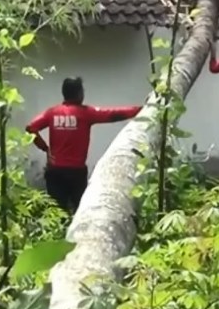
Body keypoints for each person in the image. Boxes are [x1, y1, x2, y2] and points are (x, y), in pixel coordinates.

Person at [25, 77, 141, 213]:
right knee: (79, 211)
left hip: (55, 171)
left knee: (56, 212)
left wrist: (45, 148)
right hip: (76, 173)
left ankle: (57, 234)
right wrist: (138, 110)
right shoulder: (86, 113)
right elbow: (113, 114)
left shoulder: (52, 113)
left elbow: (30, 128)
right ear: (79, 93)